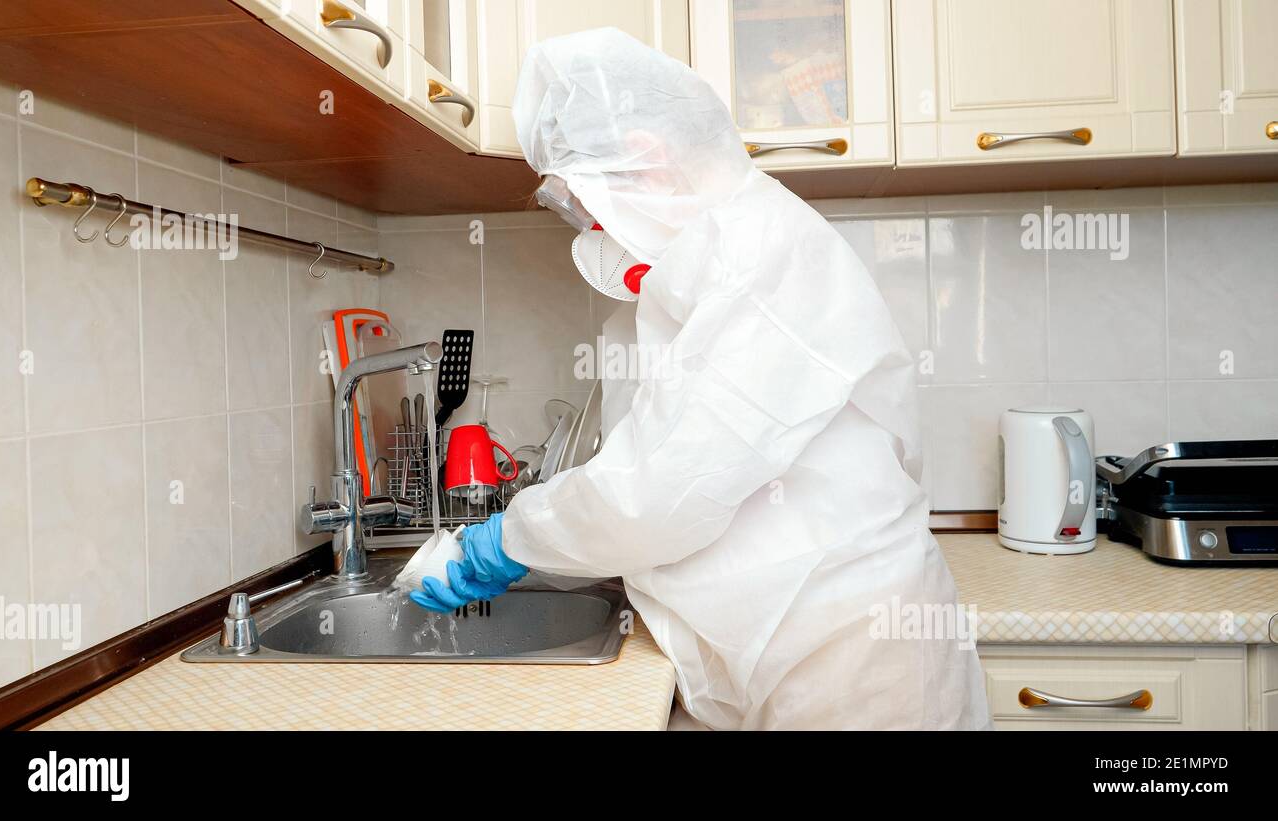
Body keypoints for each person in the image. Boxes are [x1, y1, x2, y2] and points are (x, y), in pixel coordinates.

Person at [412, 27, 990, 730]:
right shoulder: (686, 272)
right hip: (779, 646)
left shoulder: (759, 252)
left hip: (853, 660)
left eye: (579, 200)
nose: (585, 226)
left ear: (648, 161)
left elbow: (656, 491)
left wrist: (510, 538)